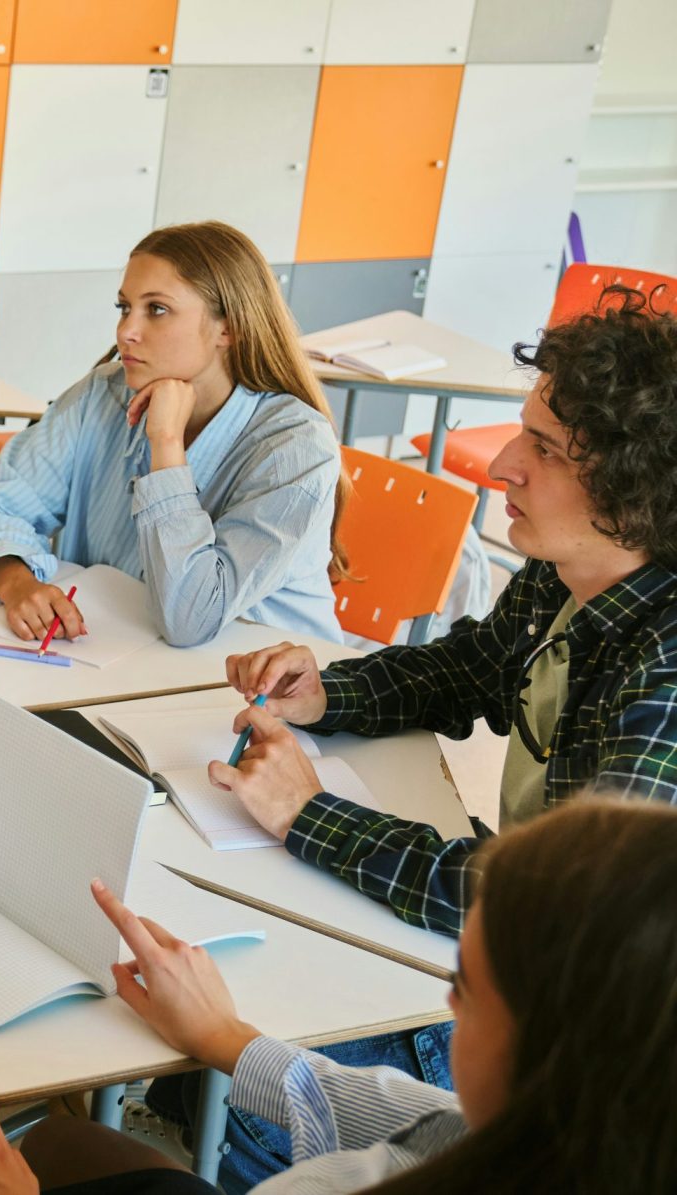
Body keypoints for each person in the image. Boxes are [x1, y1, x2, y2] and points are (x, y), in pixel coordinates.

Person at [150, 286, 677, 1189]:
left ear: (635, 498)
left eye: (542, 452)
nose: (499, 466)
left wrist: (308, 813)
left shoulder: (664, 678)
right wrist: (326, 692)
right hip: (501, 971)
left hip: (553, 1039)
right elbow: (471, 666)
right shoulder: (567, 574)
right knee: (197, 1030)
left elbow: (529, 910)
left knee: (237, 1077)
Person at [0, 800, 677, 1194]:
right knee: (70, 1136)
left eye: (465, 987)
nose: (444, 1006)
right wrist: (229, 1037)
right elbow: (415, 1117)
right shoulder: (573, 1135)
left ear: (555, 1059)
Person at [0, 221, 347, 649]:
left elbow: (189, 619)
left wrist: (166, 446)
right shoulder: (104, 394)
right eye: (124, 308)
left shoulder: (295, 448)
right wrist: (17, 583)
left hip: (259, 696)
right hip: (118, 663)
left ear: (227, 328)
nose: (125, 332)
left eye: (156, 309)